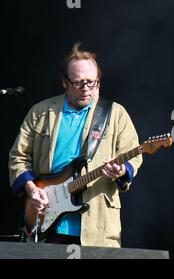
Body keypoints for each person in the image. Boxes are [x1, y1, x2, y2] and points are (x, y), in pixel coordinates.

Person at [8, 42, 142, 247]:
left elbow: (133, 154)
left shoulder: (115, 113)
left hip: (97, 226)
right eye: (79, 83)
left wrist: (122, 170)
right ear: (64, 82)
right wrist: (31, 189)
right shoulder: (40, 112)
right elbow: (18, 156)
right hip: (45, 222)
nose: (87, 89)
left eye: (92, 82)